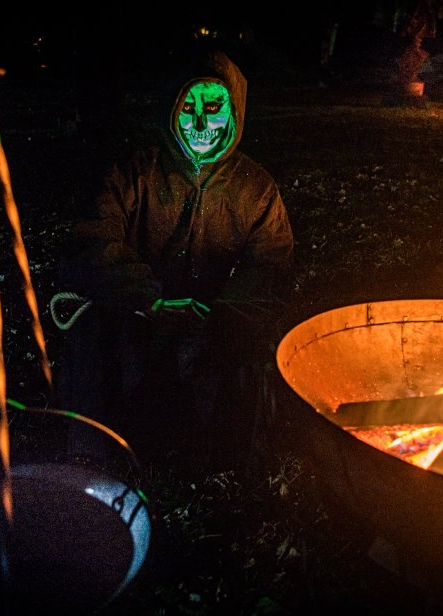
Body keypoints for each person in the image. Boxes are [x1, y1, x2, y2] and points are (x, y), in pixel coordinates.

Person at [53, 46, 294, 474]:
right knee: (93, 331)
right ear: (170, 109)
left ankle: (227, 456)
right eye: (189, 107)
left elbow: (269, 265)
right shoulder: (132, 174)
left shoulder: (256, 189)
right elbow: (92, 242)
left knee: (251, 343)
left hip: (213, 316)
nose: (201, 123)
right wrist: (150, 299)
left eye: (215, 106)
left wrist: (220, 312)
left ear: (235, 110)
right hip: (142, 311)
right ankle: (93, 453)